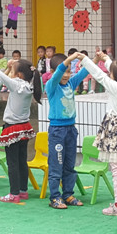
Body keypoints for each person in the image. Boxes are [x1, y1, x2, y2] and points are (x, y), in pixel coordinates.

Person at [79, 51, 117, 216]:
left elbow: (99, 75)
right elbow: (115, 72)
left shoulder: (116, 88)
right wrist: (106, 59)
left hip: (115, 132)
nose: (109, 73)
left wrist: (84, 59)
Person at [0, 59, 41, 203]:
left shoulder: (17, 85)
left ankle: (14, 193)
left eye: (12, 70)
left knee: (13, 163)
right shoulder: (28, 86)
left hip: (13, 127)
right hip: (24, 127)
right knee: (22, 161)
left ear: (20, 75)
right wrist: (12, 66)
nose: (10, 72)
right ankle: (23, 191)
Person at [43, 52, 87, 209]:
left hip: (70, 130)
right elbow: (58, 74)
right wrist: (70, 59)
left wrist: (93, 59)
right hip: (57, 131)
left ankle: (68, 194)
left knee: (69, 164)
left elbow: (84, 72)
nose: (67, 75)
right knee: (56, 165)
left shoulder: (70, 84)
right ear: (53, 72)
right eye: (64, 71)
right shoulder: (52, 86)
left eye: (69, 71)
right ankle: (55, 197)